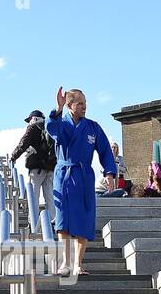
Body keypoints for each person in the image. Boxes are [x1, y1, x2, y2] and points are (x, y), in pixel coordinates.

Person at [47, 87, 118, 276]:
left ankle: (78, 263)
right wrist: (57, 108)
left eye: (85, 104)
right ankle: (65, 263)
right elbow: (50, 128)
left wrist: (110, 173)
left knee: (84, 218)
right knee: (63, 219)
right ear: (70, 105)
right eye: (80, 104)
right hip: (64, 175)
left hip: (85, 175)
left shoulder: (93, 127)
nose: (84, 107)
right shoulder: (61, 123)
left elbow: (104, 150)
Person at [9, 110, 57, 233]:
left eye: (29, 119)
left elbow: (23, 144)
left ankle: (33, 223)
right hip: (51, 167)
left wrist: (13, 157)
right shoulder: (50, 128)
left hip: (37, 168)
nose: (28, 122)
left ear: (33, 118)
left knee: (33, 196)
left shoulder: (33, 128)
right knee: (50, 196)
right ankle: (52, 222)